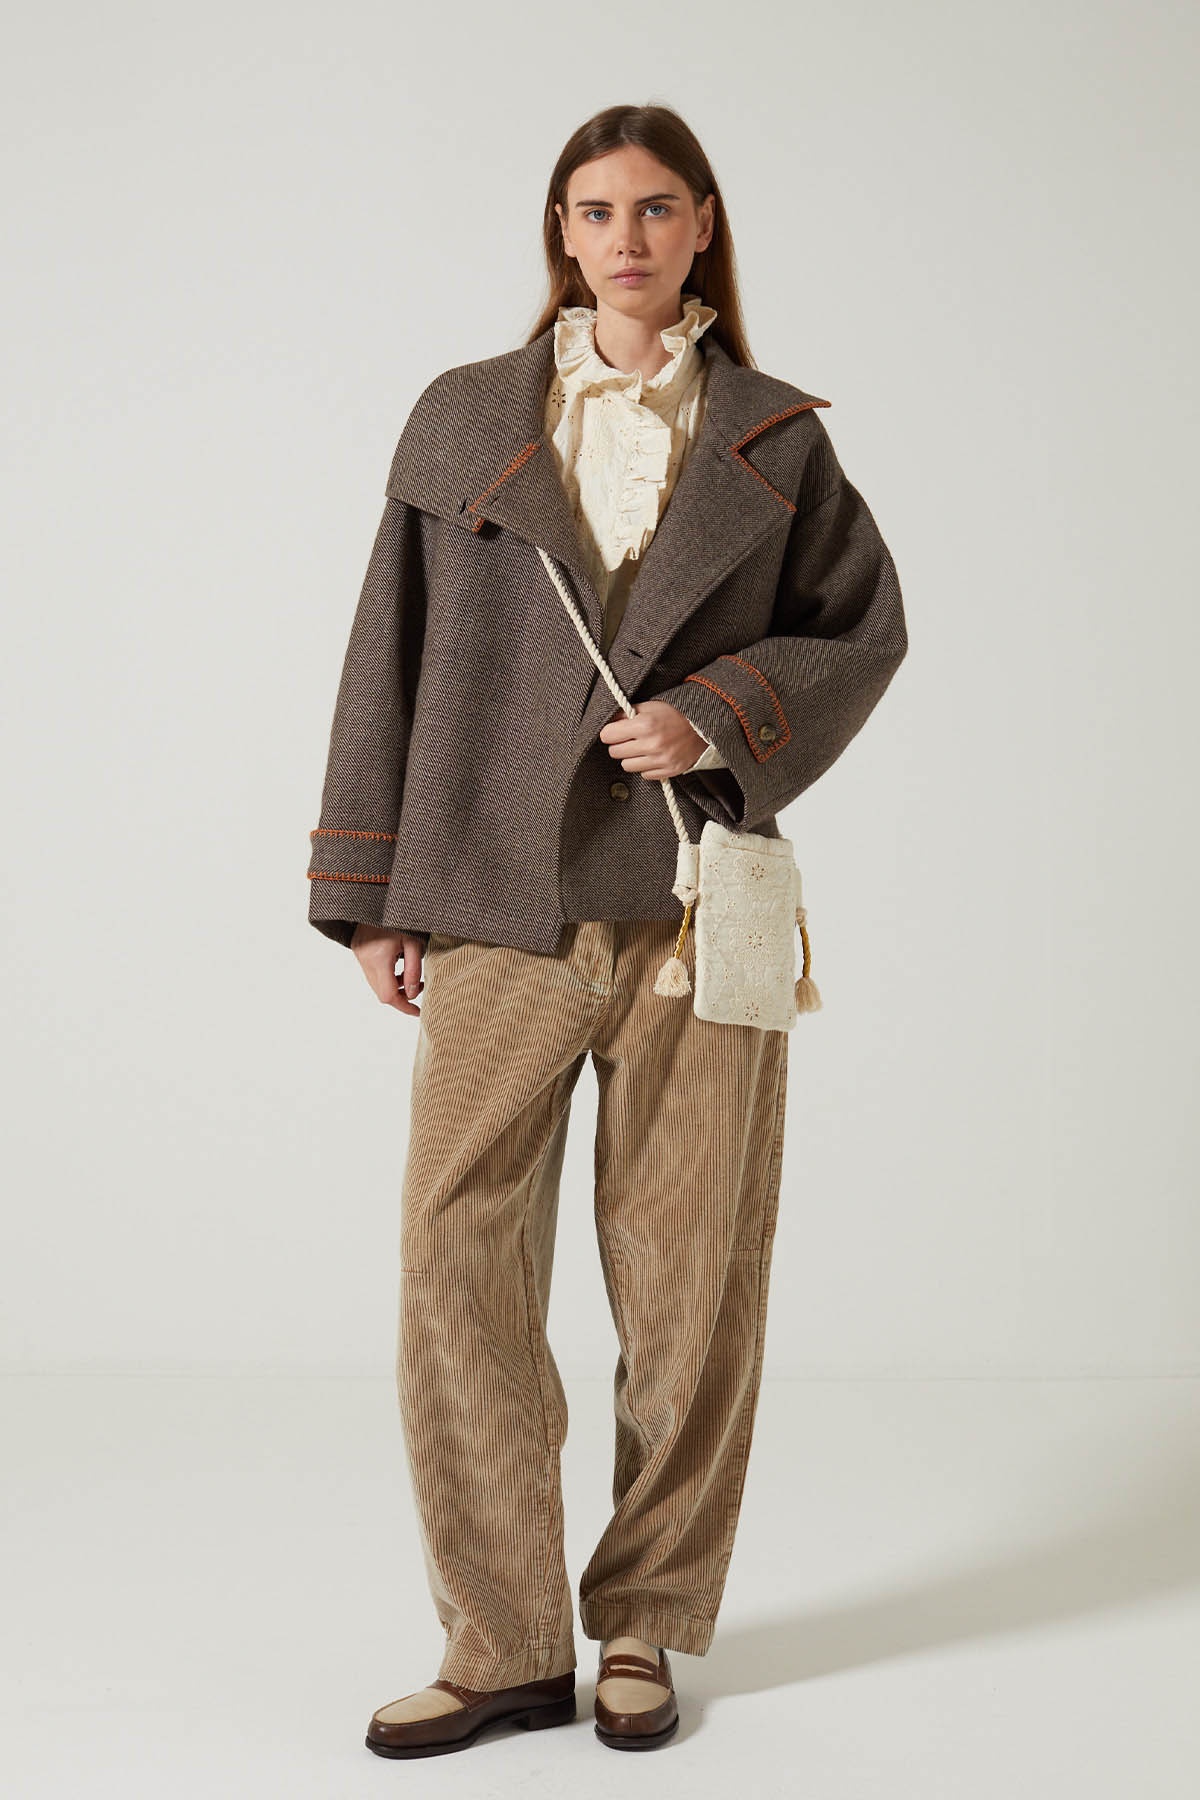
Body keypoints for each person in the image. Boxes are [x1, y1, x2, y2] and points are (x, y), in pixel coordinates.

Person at [306, 102, 908, 1758]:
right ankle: (503, 1642)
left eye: (654, 208)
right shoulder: (465, 422)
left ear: (702, 225)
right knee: (454, 1258)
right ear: (559, 234)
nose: (624, 237)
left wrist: (718, 714)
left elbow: (862, 631)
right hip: (497, 898)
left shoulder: (775, 441)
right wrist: (367, 890)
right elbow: (387, 650)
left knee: (691, 1274)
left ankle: (641, 1623)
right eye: (594, 210)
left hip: (697, 904)